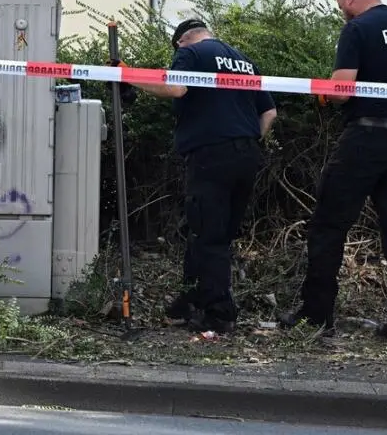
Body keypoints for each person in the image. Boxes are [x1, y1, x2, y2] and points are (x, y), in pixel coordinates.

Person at [279, 0, 387, 345]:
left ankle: (317, 315)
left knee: (329, 221)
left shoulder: (358, 29)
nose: (342, 10)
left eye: (341, 3)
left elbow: (342, 89)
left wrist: (322, 94)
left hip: (368, 135)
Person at [112, 18, 277, 333]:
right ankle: (191, 299)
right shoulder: (244, 62)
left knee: (208, 234)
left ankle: (220, 313)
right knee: (213, 233)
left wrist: (127, 73)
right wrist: (246, 141)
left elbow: (174, 87)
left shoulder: (192, 54)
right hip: (246, 156)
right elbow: (269, 113)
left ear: (181, 41)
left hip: (211, 155)